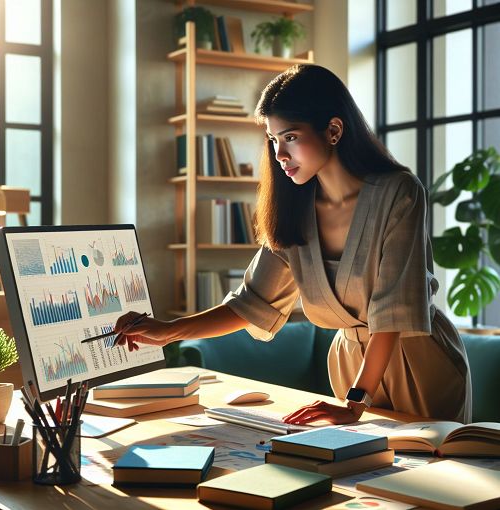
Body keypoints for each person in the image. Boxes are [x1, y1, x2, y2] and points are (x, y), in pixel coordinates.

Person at [115, 64, 472, 425]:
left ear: (333, 130)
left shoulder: (400, 192)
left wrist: (355, 402)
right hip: (351, 368)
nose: (279, 154)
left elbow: (393, 311)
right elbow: (250, 303)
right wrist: (166, 331)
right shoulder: (294, 209)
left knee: (426, 472)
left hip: (418, 365)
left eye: (290, 137)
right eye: (272, 140)